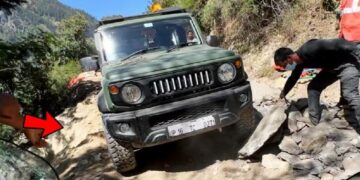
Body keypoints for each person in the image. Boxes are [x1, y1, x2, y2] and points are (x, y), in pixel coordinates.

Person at [274, 38, 360, 126]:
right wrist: (283, 94)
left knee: (350, 94)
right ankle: (314, 120)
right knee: (313, 88)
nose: (286, 68)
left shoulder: (309, 48)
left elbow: (338, 43)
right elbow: (293, 78)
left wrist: (358, 51)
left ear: (289, 58)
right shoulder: (299, 65)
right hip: (331, 69)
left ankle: (348, 107)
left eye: (285, 65)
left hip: (347, 65)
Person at [336, 0, 360, 106]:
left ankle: (347, 102)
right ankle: (345, 101)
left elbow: (343, 19)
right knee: (346, 69)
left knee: (347, 69)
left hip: (351, 38)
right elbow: (343, 20)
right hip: (348, 39)